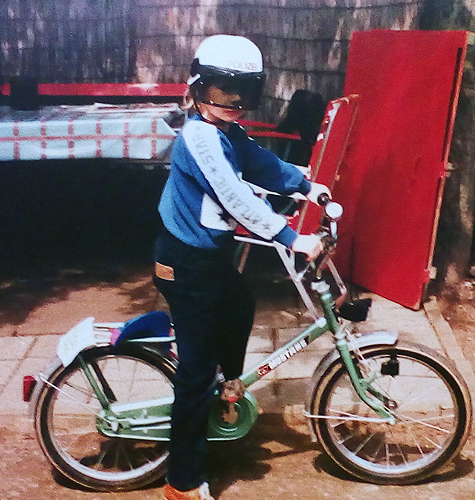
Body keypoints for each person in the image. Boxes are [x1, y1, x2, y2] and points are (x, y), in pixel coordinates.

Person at [153, 34, 330, 500]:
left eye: (244, 92)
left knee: (239, 301)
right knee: (193, 373)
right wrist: (292, 238)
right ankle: (181, 484)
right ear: (197, 86)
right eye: (220, 90)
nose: (233, 103)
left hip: (207, 259)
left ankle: (226, 388)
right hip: (184, 262)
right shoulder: (199, 138)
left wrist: (307, 185)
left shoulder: (228, 132)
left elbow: (260, 163)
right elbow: (235, 196)